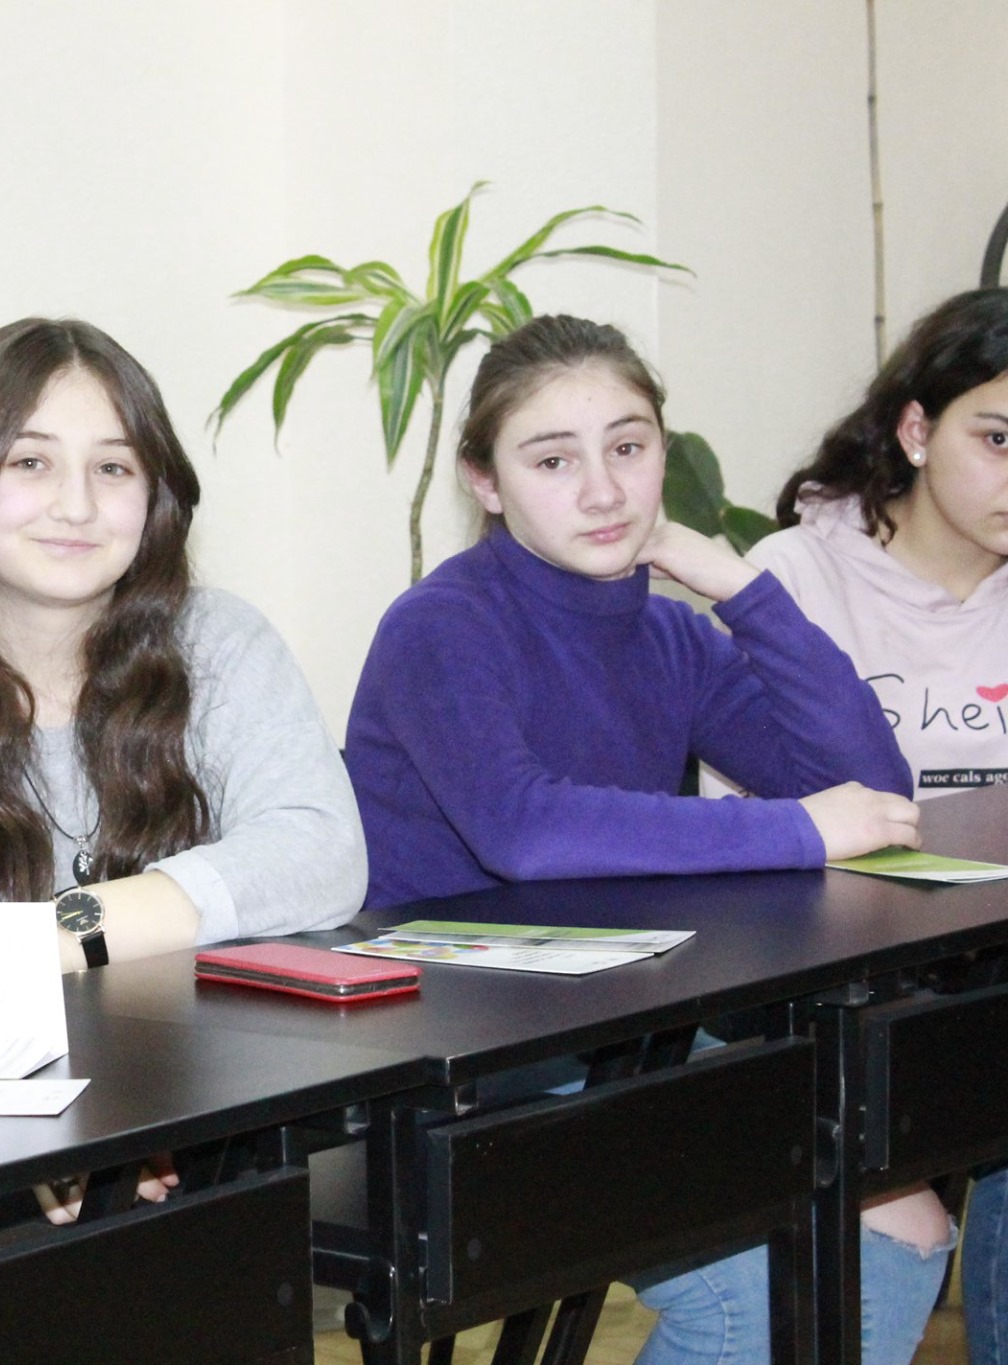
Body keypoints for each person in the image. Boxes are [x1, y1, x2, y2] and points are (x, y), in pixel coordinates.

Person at [343, 314, 949, 1365]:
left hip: (624, 1027)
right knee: (765, 1300)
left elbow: (870, 790)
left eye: (627, 447)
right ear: (485, 482)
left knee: (904, 1233)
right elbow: (524, 830)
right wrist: (796, 829)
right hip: (463, 1070)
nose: (602, 491)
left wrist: (742, 589)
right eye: (552, 460)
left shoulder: (668, 631)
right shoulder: (440, 624)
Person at [0, 316, 366, 1220]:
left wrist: (57, 937)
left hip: (211, 1112)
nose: (76, 505)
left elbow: (321, 852)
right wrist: (17, 1115)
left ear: (155, 494)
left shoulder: (221, 644)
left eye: (113, 468)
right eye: (31, 462)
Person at [748, 287, 1008, 1365]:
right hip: (841, 983)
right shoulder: (794, 579)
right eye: (997, 440)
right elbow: (758, 833)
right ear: (914, 429)